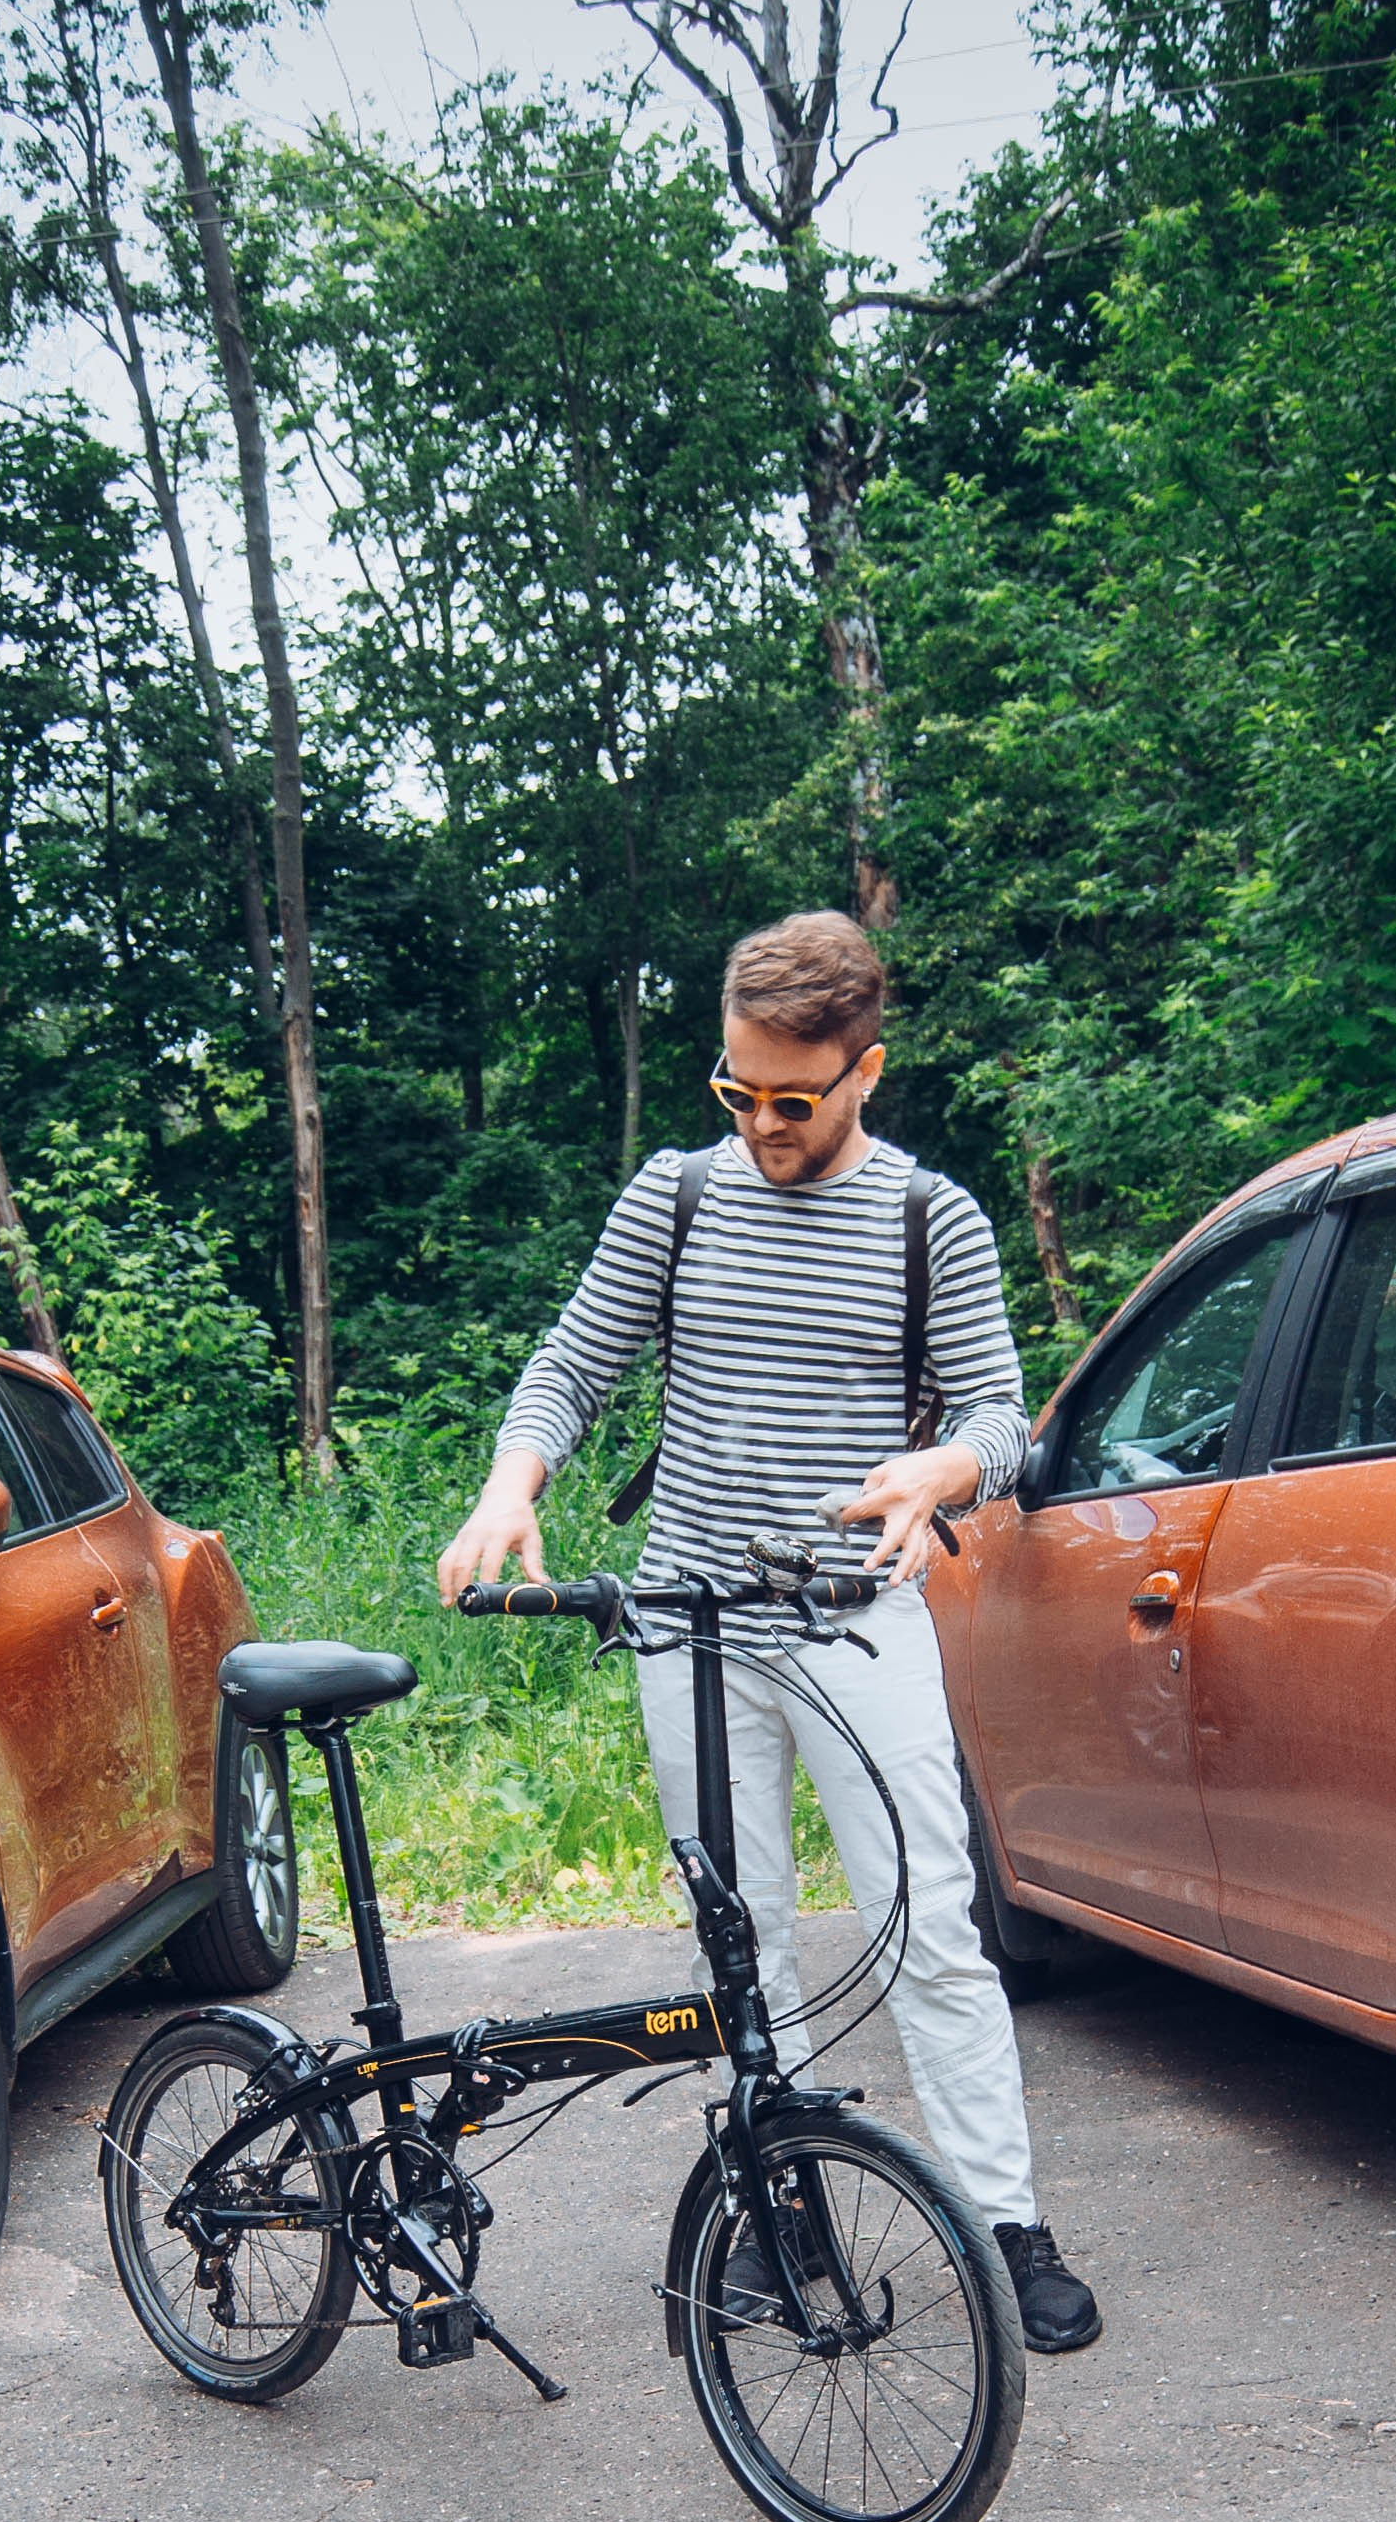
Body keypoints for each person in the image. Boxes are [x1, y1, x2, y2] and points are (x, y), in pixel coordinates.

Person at [437, 908, 1099, 2355]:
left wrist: (940, 1472)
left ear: (867, 1069)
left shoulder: (933, 1219)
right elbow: (572, 1362)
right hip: (686, 1620)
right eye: (734, 1091)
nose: (759, 1125)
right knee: (737, 1941)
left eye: (791, 1100)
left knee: (927, 1927)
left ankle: (1006, 2224)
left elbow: (998, 1417)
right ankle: (782, 2209)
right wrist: (509, 1486)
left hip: (857, 1624)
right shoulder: (673, 1198)